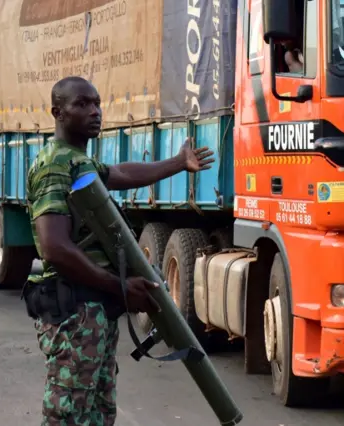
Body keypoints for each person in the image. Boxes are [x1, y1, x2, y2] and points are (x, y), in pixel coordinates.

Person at [24, 76, 215, 425]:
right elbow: (54, 247)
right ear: (58, 112)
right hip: (75, 310)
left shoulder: (77, 160)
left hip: (92, 308)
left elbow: (122, 173)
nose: (95, 111)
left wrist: (176, 163)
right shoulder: (55, 164)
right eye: (82, 104)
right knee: (69, 414)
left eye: (97, 103)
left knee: (97, 411)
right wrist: (120, 287)